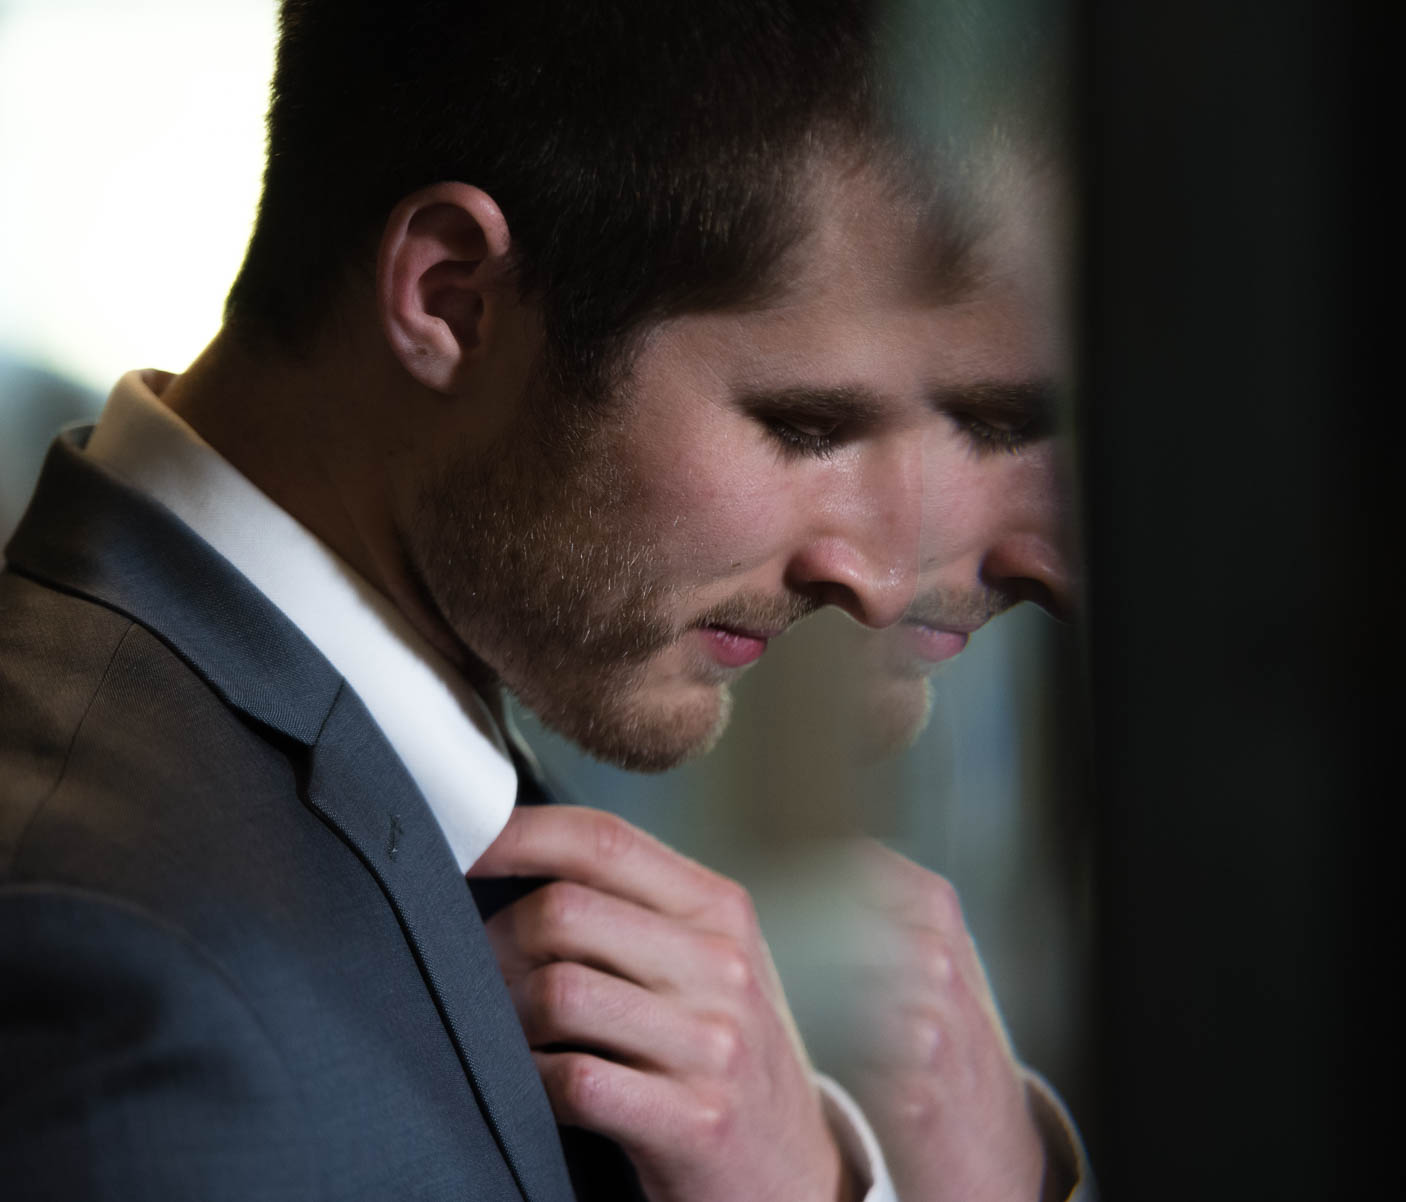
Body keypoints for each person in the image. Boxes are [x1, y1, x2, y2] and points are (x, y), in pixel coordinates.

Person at [0, 2, 1081, 1200]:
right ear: (452, 297)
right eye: (803, 427)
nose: (876, 585)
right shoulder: (109, 953)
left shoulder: (359, 755)